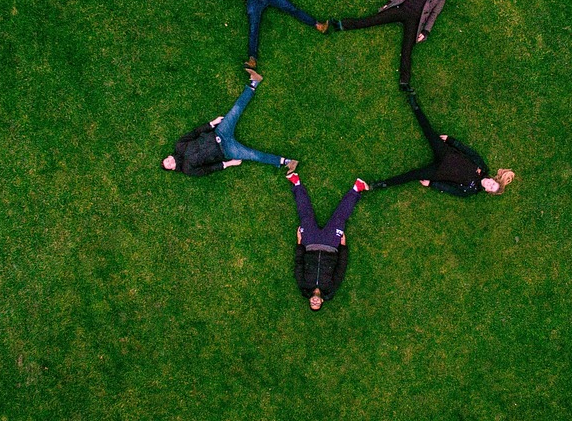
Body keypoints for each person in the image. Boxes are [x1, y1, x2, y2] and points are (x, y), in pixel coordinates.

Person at [369, 91, 514, 196]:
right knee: (429, 132)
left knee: (413, 175)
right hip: (446, 153)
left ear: (488, 191)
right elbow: (469, 152)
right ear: (492, 179)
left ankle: (382, 184)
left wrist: (432, 183)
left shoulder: (470, 191)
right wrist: (451, 140)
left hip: (438, 172)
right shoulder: (482, 167)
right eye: (492, 183)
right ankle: (414, 104)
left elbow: (450, 188)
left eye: (490, 188)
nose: (489, 184)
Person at [328, 0, 450, 91]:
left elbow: (434, 14)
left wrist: (426, 31)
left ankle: (404, 82)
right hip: (401, 9)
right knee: (373, 20)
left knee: (407, 49)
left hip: (414, 21)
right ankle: (341, 25)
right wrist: (390, 2)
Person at [162, 68, 298, 176]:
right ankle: (287, 162)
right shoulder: (188, 169)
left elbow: (195, 132)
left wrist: (211, 123)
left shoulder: (180, 145)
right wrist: (229, 163)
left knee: (235, 111)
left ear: (169, 156)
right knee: (252, 155)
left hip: (220, 132)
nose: (169, 161)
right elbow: (209, 169)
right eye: (168, 164)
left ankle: (254, 82)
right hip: (226, 151)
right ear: (172, 168)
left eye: (167, 159)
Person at [289, 173, 369, 310]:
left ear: (309, 300)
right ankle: (357, 189)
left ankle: (296, 183)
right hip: (331, 245)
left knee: (305, 216)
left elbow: (299, 263)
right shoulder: (331, 287)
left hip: (310, 243)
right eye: (317, 304)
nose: (314, 301)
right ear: (322, 302)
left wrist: (299, 242)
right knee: (340, 218)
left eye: (312, 303)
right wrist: (343, 246)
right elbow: (341, 268)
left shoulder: (303, 284)